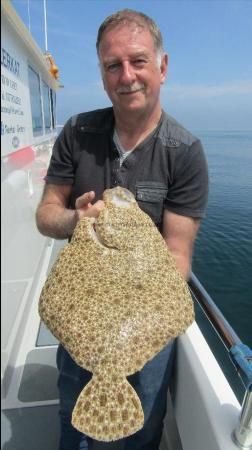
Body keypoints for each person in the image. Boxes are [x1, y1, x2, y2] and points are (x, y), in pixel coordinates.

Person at [36, 9, 208, 450]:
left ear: (162, 67)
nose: (126, 76)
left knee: (143, 431)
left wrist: (128, 329)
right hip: (85, 313)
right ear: (102, 74)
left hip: (144, 330)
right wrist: (76, 220)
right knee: (72, 425)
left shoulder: (184, 152)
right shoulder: (77, 132)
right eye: (113, 65)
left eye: (138, 61)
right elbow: (46, 214)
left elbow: (177, 260)